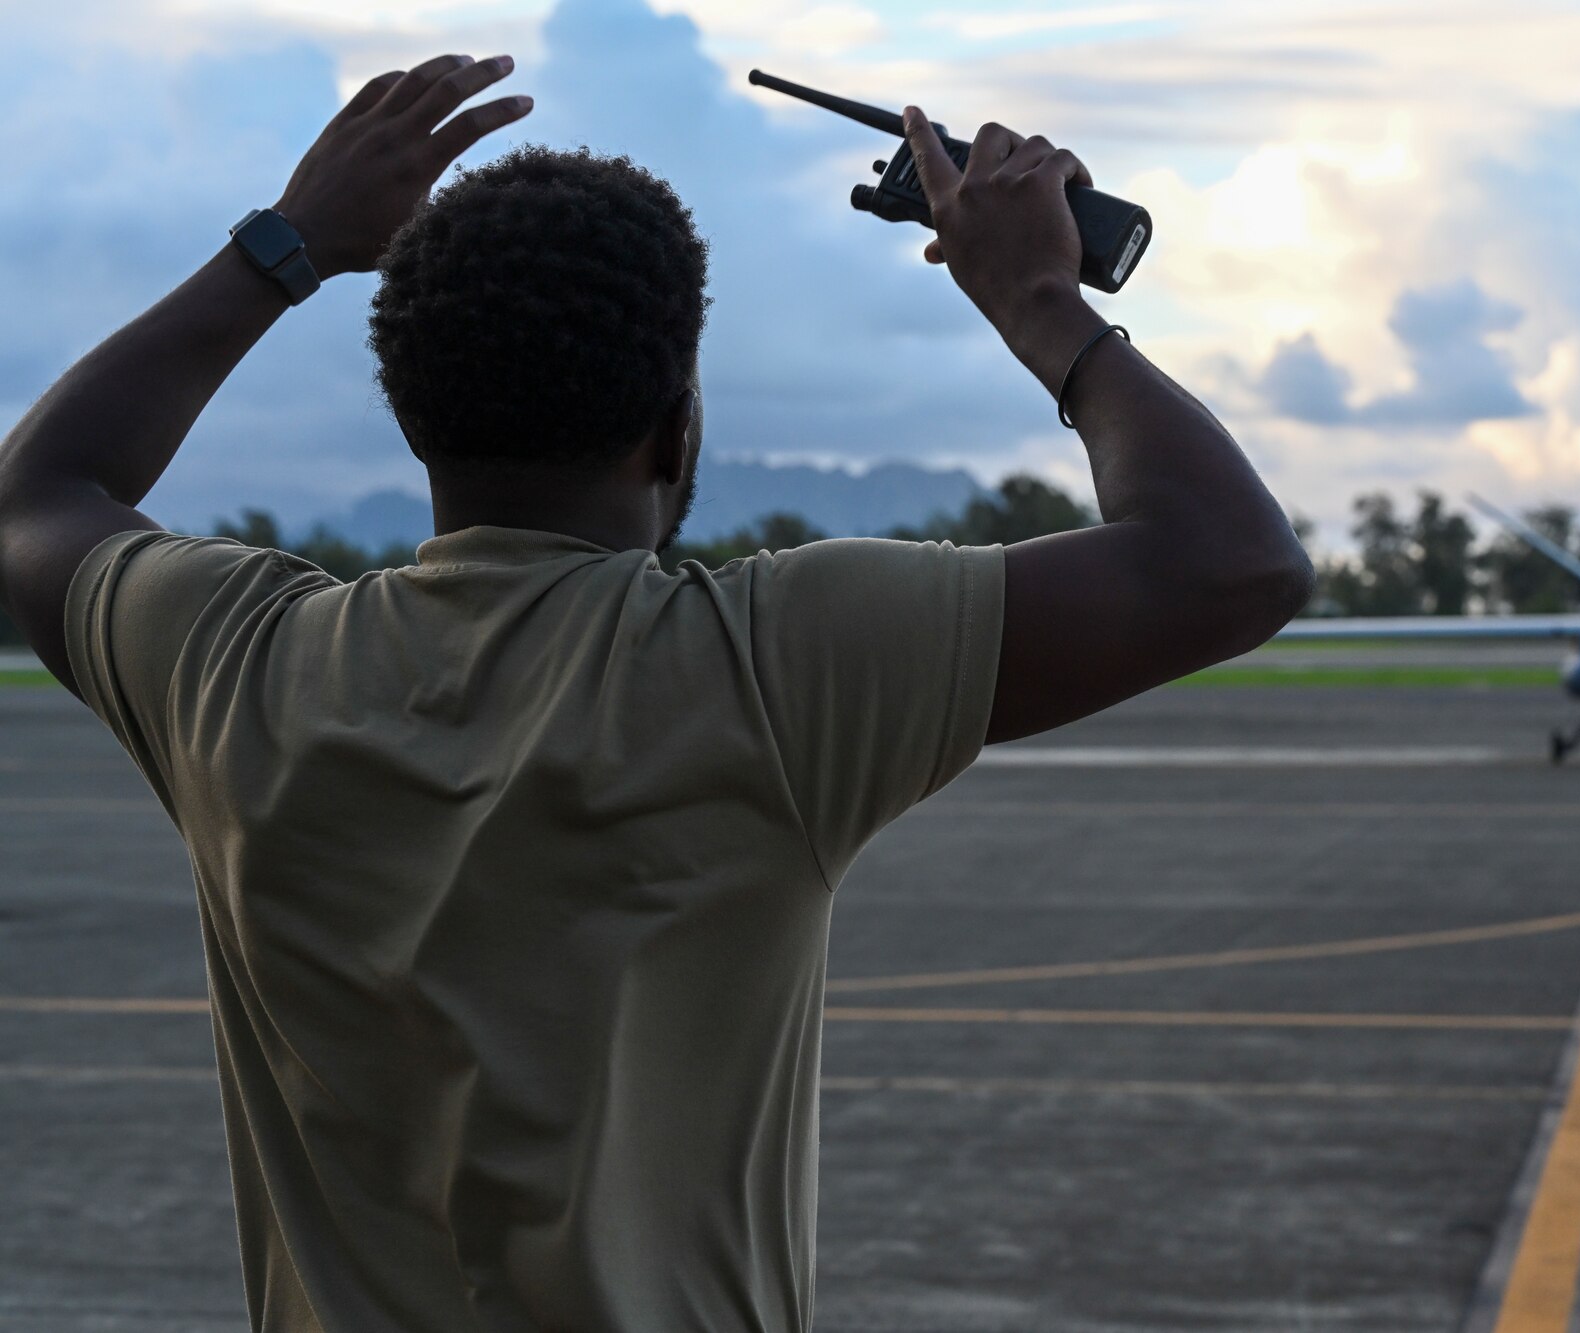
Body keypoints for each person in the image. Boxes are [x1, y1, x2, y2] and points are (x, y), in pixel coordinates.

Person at [0, 52, 1311, 1332]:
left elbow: (39, 496)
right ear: (678, 427)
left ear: (410, 417)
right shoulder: (775, 661)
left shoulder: (230, 661)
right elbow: (1231, 561)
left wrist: (284, 245)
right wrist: (1041, 302)